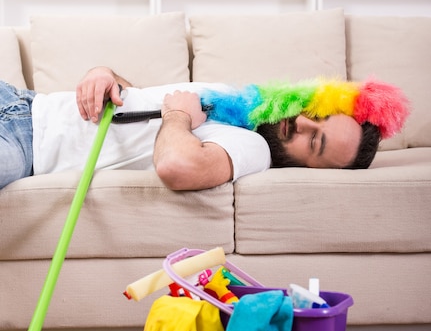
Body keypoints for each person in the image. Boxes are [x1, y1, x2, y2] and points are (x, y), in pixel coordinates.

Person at [0, 66, 380, 192]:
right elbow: (138, 102)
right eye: (318, 114)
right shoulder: (243, 105)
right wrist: (103, 75)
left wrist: (178, 118)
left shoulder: (253, 149)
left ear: (308, 169)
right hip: (24, 101)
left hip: (24, 145)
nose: (301, 122)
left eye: (314, 140)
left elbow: (177, 167)